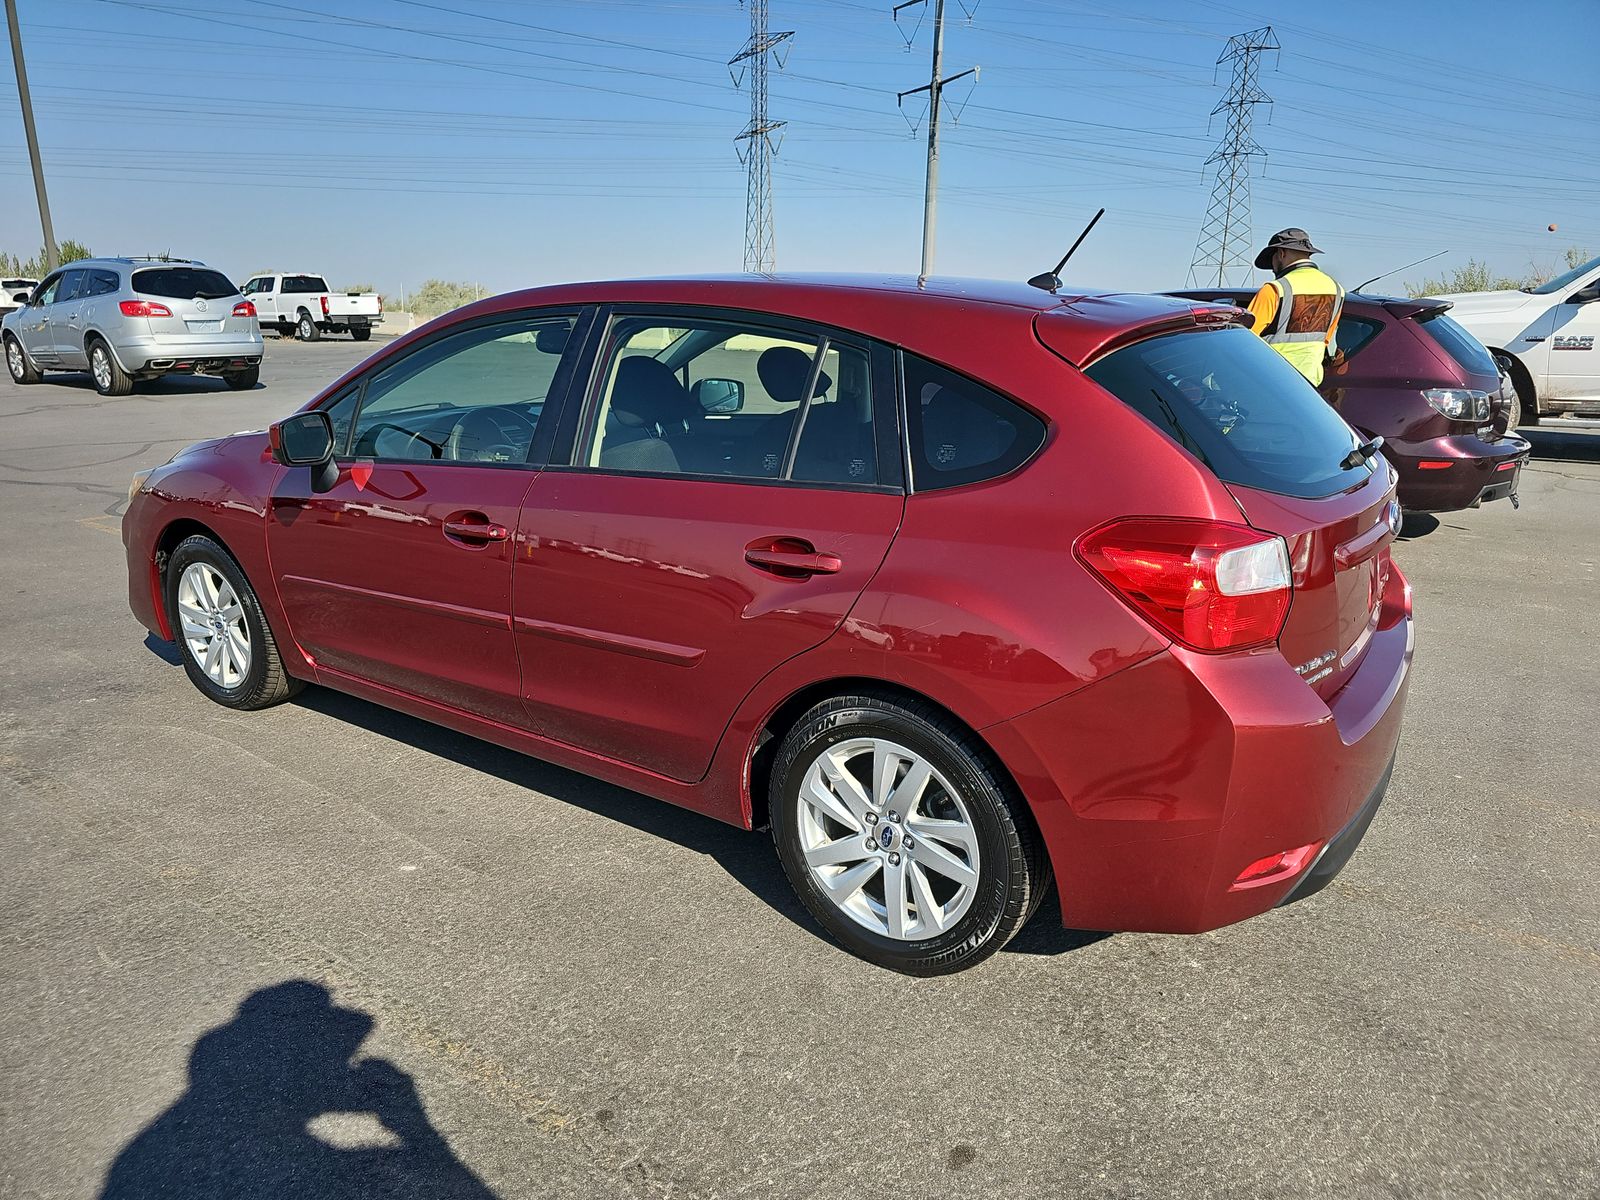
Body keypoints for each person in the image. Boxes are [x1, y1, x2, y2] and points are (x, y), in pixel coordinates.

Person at [1245, 227, 1344, 387]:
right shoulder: (1336, 289)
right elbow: (1327, 339)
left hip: (1271, 381)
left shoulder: (1275, 289)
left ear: (1281, 253)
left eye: (1272, 259)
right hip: (1309, 384)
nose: (1272, 267)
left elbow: (1244, 341)